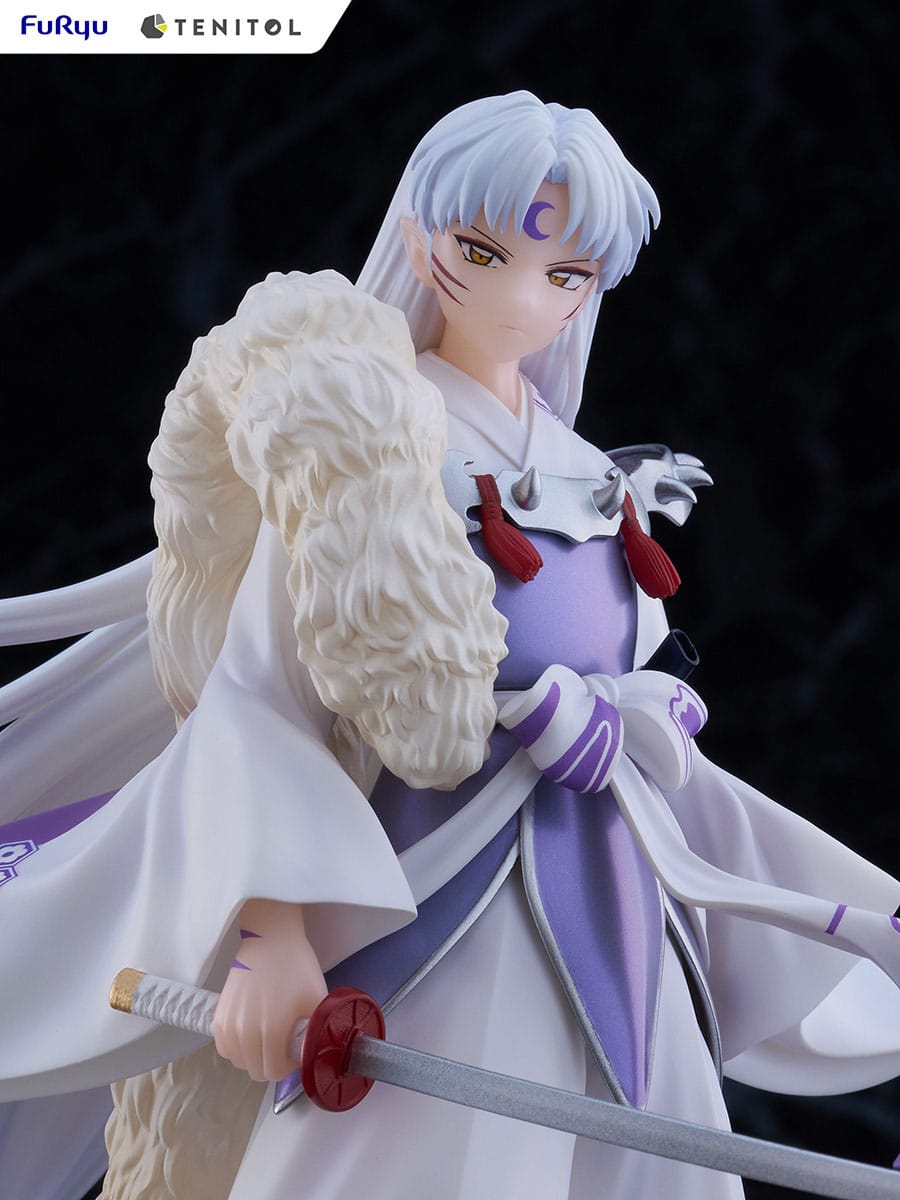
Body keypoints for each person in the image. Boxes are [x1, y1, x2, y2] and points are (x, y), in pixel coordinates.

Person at [2, 91, 900, 1200]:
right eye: (484, 252)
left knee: (645, 1157)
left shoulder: (588, 469)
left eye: (567, 274)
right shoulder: (365, 449)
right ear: (420, 233)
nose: (524, 298)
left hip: (619, 896)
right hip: (437, 892)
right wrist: (267, 934)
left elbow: (637, 717)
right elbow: (262, 699)